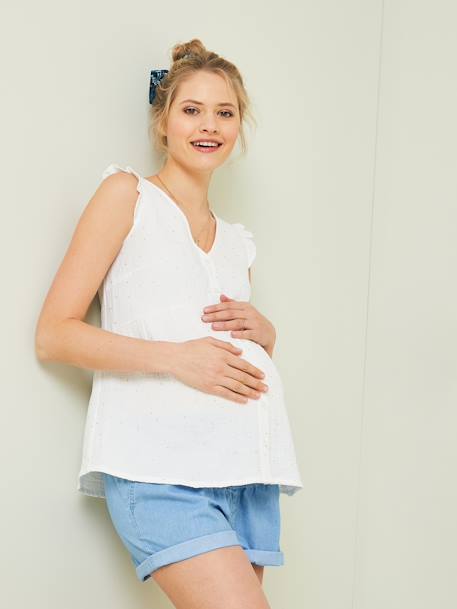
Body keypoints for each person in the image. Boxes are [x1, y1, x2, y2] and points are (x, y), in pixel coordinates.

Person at [35, 38, 303, 609]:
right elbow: (54, 333)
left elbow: (230, 352)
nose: (209, 126)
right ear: (163, 122)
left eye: (225, 113)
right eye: (192, 110)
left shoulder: (238, 243)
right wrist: (177, 357)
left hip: (245, 469)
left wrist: (267, 338)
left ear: (239, 126)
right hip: (158, 467)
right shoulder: (126, 196)